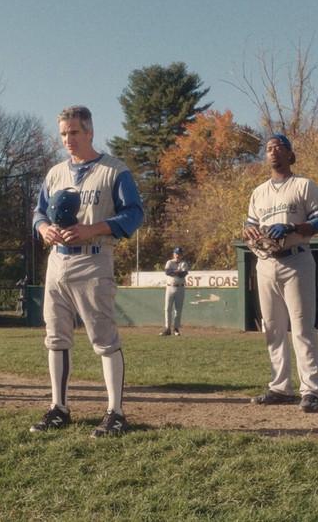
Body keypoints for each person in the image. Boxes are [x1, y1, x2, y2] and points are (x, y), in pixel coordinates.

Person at [29, 105, 144, 438]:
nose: (68, 138)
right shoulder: (54, 173)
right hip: (58, 262)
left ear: (90, 132)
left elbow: (134, 214)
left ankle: (116, 413)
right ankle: (59, 408)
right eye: (64, 133)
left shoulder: (113, 169)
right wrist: (43, 228)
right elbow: (38, 211)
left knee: (104, 339)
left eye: (74, 132)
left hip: (94, 258)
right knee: (56, 337)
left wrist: (92, 229)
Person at [243, 134, 318, 413]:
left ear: (289, 154)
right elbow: (249, 225)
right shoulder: (259, 192)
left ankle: (311, 390)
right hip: (266, 262)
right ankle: (280, 387)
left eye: (278, 147)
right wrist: (250, 233)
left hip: (297, 261)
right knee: (273, 328)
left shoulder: (303, 185)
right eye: (268, 149)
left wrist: (292, 227)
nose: (272, 152)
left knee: (302, 328)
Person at [159, 247, 188, 336]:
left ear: (181, 254)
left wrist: (174, 272)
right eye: (176, 253)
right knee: (167, 308)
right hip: (170, 287)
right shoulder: (169, 262)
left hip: (180, 288)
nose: (177, 255)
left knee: (178, 309)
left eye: (179, 253)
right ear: (173, 254)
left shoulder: (184, 263)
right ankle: (167, 328)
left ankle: (176, 329)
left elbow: (183, 274)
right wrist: (177, 271)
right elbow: (167, 272)